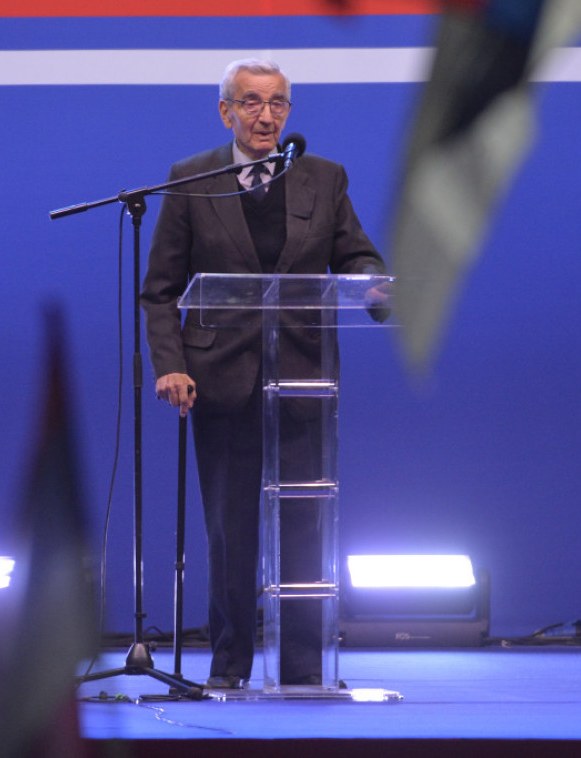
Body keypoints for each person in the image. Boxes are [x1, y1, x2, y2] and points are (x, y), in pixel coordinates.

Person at [140, 59, 388, 689]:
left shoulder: (323, 178)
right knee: (230, 533)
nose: (266, 115)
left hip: (301, 381)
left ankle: (304, 669)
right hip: (218, 381)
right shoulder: (193, 179)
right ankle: (229, 666)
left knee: (304, 530)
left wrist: (372, 284)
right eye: (251, 102)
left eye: (277, 103)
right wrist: (170, 366)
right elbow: (161, 290)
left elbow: (354, 253)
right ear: (225, 111)